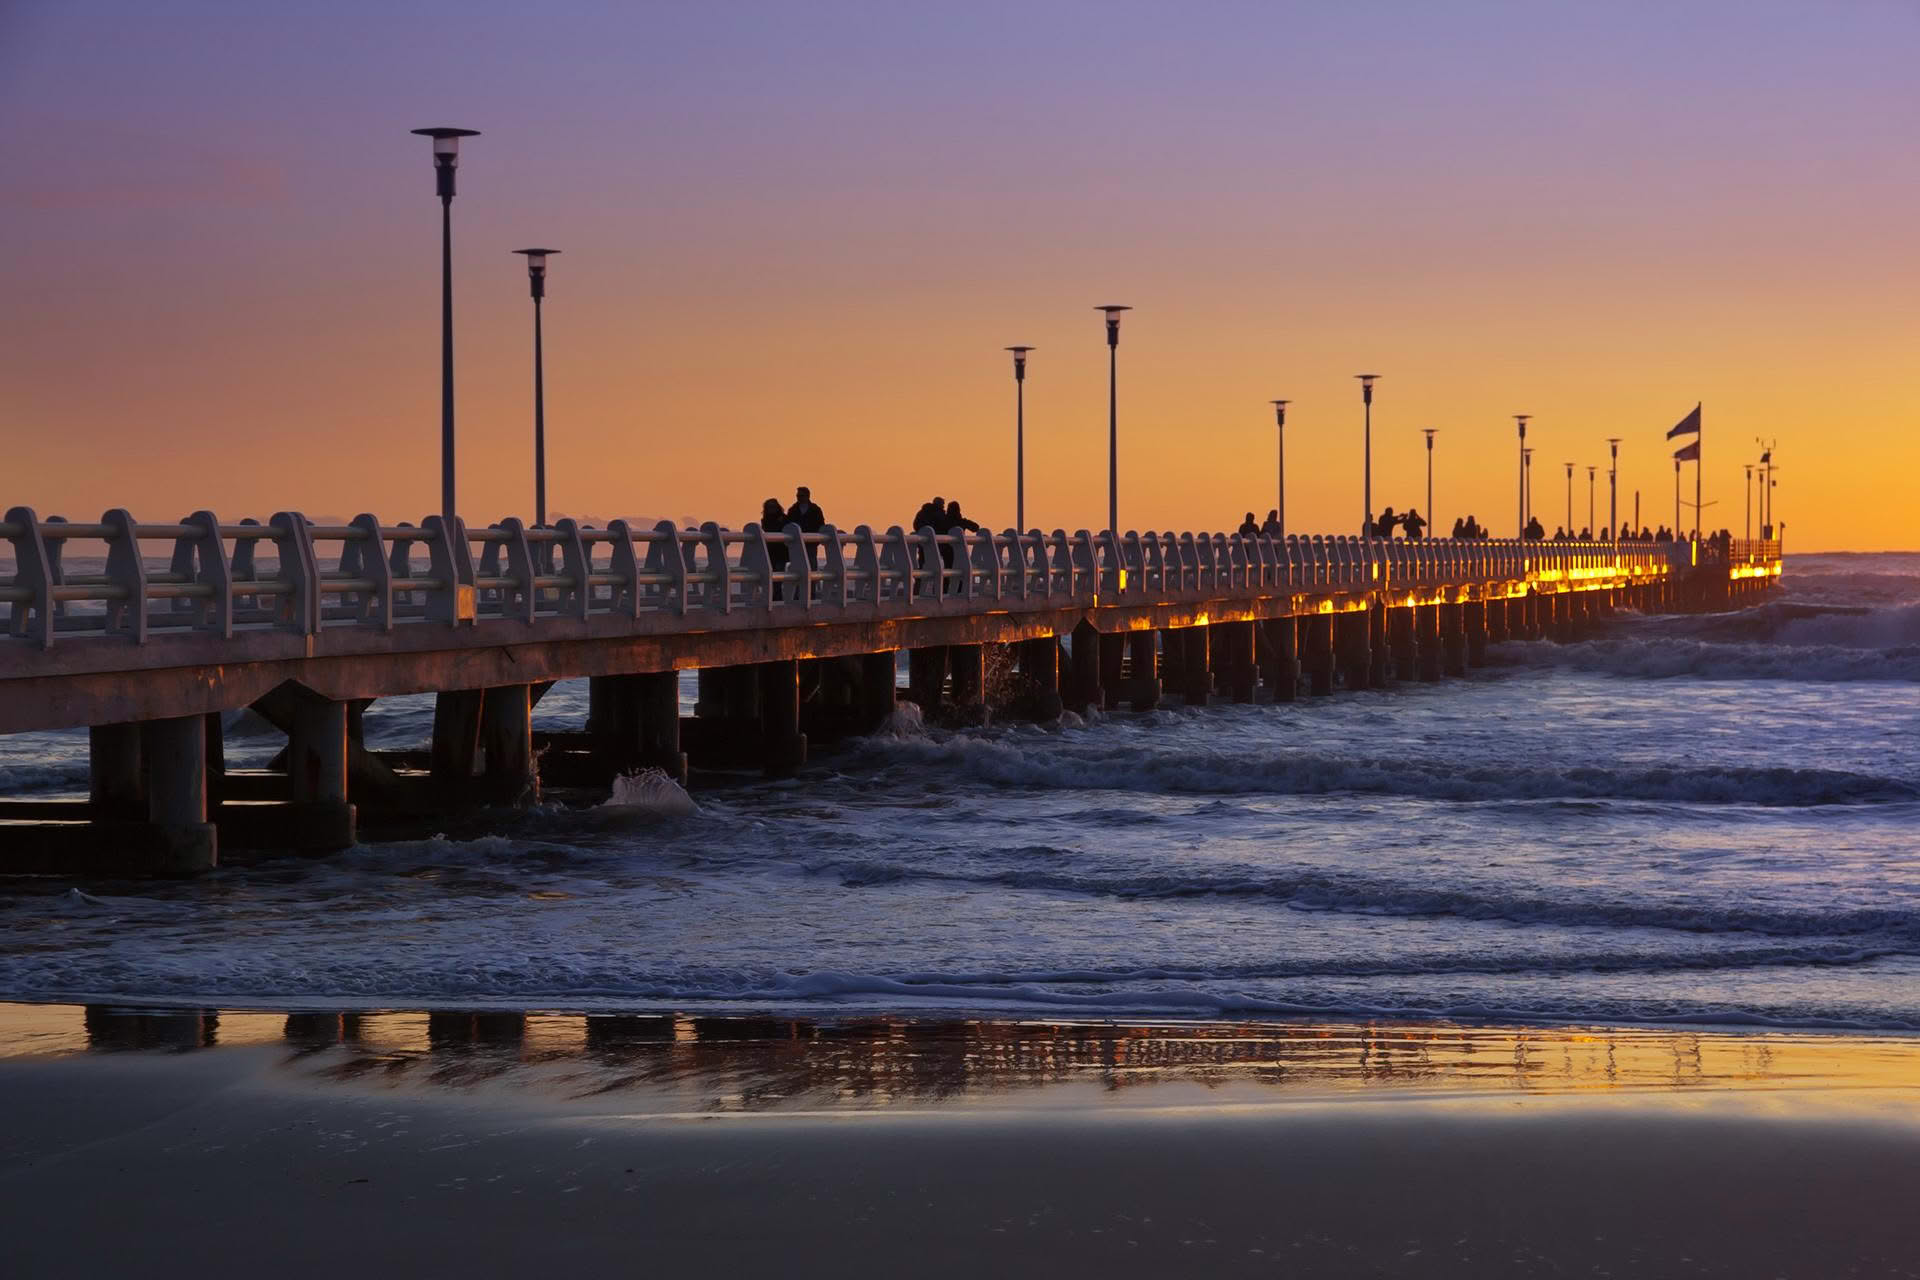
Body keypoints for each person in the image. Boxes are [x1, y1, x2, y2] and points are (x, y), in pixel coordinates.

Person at [759, 498, 790, 600]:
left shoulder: (784, 519)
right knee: (770, 574)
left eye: (773, 507)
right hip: (770, 551)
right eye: (769, 507)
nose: (771, 509)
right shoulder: (765, 520)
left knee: (778, 574)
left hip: (780, 551)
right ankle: (772, 596)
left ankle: (777, 597)